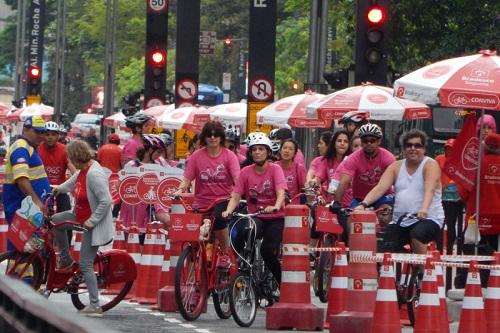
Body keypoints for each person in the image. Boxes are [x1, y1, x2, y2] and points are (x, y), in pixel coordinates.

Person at [354, 130, 444, 255]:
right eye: (409, 145)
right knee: (381, 243)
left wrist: (424, 209)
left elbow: (430, 189)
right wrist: (363, 204)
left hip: (428, 219)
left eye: (417, 145)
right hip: (401, 221)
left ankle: (422, 273)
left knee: (417, 235)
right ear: (403, 148)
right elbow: (380, 188)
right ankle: (386, 273)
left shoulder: (430, 164)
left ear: (424, 149)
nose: (413, 148)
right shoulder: (395, 166)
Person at [52, 140, 114, 317]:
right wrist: (59, 189)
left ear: (77, 158)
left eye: (71, 158)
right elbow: (71, 183)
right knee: (56, 222)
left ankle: (95, 305)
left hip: (93, 223)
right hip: (79, 215)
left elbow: (106, 201)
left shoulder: (94, 174)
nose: (70, 161)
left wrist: (92, 221)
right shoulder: (83, 170)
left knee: (86, 264)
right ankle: (65, 259)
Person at [222, 132, 287, 285]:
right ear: (250, 153)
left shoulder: (275, 169)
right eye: (254, 149)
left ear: (268, 152)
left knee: (267, 250)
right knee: (245, 232)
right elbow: (236, 195)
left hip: (275, 218)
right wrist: (228, 210)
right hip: (255, 216)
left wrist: (276, 206)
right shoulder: (245, 172)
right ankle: (244, 268)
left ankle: (281, 283)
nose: (257, 152)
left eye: (261, 149)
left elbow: (281, 192)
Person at [176, 121, 240, 269]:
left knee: (219, 219)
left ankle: (224, 253)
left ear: (221, 137)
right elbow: (187, 179)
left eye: (216, 135)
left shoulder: (229, 156)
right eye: (209, 135)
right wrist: (180, 190)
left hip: (223, 200)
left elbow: (238, 180)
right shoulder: (196, 156)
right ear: (204, 137)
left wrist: (238, 194)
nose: (213, 138)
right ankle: (194, 272)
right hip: (201, 203)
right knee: (192, 234)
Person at [3, 116, 51, 250]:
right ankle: (19, 272)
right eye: (37, 132)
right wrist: (37, 202)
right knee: (23, 249)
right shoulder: (21, 148)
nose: (41, 136)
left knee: (30, 248)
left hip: (29, 209)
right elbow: (21, 179)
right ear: (25, 130)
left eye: (43, 132)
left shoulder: (29, 147)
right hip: (23, 208)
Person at [333, 123, 396, 209]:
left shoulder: (388, 158)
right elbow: (343, 183)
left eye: (372, 141)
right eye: (365, 141)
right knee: (354, 218)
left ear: (379, 141)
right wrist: (337, 203)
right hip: (359, 199)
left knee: (384, 214)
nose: (369, 143)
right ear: (361, 142)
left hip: (382, 198)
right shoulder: (353, 158)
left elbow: (397, 181)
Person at [38, 121, 77, 241]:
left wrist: (78, 177)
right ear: (43, 135)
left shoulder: (64, 149)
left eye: (53, 134)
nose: (50, 137)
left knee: (67, 220)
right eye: (47, 134)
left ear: (58, 135)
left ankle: (67, 248)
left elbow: (71, 166)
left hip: (60, 189)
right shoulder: (37, 150)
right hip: (43, 190)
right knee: (39, 220)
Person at [435, 139, 464, 256]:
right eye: (447, 148)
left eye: (451, 149)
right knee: (440, 224)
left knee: (452, 225)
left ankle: (451, 250)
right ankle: (440, 250)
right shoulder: (439, 159)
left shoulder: (460, 161)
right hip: (441, 197)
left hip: (456, 199)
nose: (449, 151)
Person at [276, 138, 306, 204]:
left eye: (290, 149)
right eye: (285, 148)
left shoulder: (299, 168)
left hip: (294, 208)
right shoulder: (274, 166)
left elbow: (304, 189)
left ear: (295, 153)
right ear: (280, 150)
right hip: (276, 207)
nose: (287, 151)